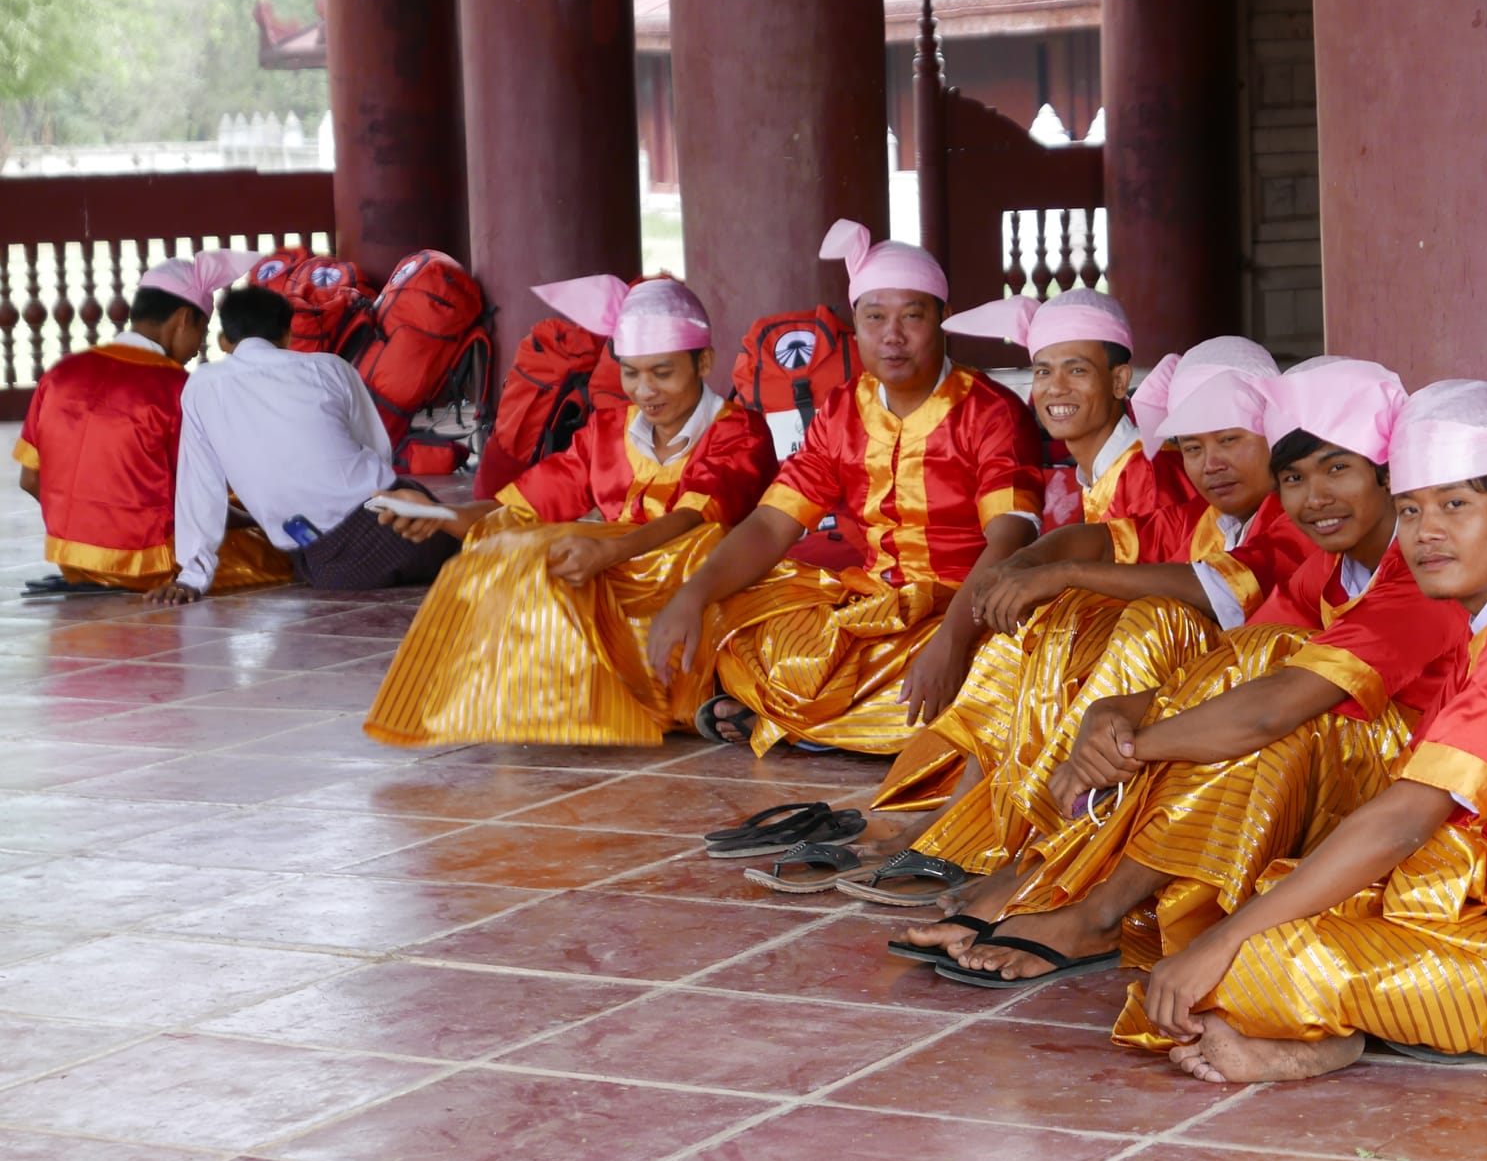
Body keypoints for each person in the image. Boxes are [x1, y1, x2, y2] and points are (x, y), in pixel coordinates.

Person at [1121, 380, 1487, 1082]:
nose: (1427, 531)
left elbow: (1408, 816)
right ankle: (1338, 1024)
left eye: (1455, 505)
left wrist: (1225, 942)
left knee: (1253, 961)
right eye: (1409, 510)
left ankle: (1329, 1035)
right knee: (1281, 899)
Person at [920, 358, 1469, 986]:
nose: (1315, 498)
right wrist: (1121, 709)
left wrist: (1133, 740)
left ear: (1388, 473)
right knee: (1233, 673)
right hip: (1324, 759)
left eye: (1337, 468)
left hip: (1424, 798)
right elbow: (1232, 666)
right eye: (1294, 477)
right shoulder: (1327, 562)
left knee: (1255, 687)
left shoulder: (1425, 571)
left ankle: (1095, 907)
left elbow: (1272, 702)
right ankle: (1054, 872)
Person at [849, 340, 1314, 900]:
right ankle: (977, 828)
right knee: (1047, 616)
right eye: (1192, 447)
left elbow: (1214, 592)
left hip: (1268, 719)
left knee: (1154, 621)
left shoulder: (1297, 515)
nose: (1210, 463)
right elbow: (1101, 540)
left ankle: (1046, 851)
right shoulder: (1208, 516)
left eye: (1230, 440)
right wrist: (1025, 566)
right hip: (1188, 703)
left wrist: (1063, 574)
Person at [646, 219, 1045, 771]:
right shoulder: (840, 410)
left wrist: (952, 642)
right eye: (875, 317)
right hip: (871, 608)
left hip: (963, 612)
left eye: (913, 315)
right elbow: (770, 525)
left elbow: (1011, 539)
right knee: (729, 619)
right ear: (855, 324)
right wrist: (693, 595)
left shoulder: (992, 411)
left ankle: (808, 720)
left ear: (943, 319)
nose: (893, 335)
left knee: (1008, 666)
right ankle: (856, 724)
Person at [363, 276, 777, 745]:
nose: (645, 391)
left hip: (702, 587)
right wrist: (438, 514)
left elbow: (694, 518)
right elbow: (519, 507)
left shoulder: (740, 431)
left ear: (703, 361)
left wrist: (608, 553)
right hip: (621, 583)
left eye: (662, 373)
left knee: (697, 544)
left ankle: (665, 693)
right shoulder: (605, 431)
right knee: (519, 545)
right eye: (631, 373)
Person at [147, 285, 457, 605]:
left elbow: (199, 485)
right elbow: (377, 451)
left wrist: (191, 577)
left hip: (328, 568)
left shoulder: (200, 386)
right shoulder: (329, 367)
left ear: (225, 340)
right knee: (470, 537)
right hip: (399, 527)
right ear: (286, 335)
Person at [13, 249, 289, 594]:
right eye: (201, 332)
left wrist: (90, 523)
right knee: (281, 550)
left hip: (72, 559)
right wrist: (256, 521)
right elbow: (200, 498)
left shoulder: (60, 373)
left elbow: (29, 478)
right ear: (183, 319)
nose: (198, 346)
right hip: (152, 561)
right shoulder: (176, 387)